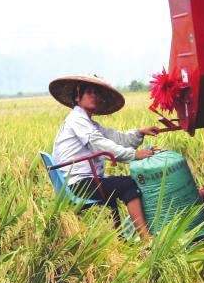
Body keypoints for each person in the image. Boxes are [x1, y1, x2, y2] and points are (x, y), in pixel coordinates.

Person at [49, 75, 160, 241]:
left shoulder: (89, 123)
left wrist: (139, 132)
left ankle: (121, 239)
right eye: (90, 92)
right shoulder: (77, 120)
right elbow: (99, 144)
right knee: (128, 184)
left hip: (81, 181)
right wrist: (134, 155)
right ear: (78, 96)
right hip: (78, 184)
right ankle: (146, 239)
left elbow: (115, 138)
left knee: (116, 186)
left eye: (97, 93)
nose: (95, 96)